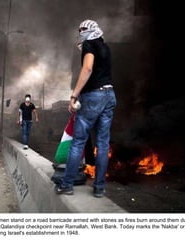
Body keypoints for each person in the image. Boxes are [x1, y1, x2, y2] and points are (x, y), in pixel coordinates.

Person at [54, 19, 117, 198]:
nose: (80, 32)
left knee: (78, 142)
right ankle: (99, 188)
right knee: (103, 144)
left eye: (82, 29)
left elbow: (87, 68)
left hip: (93, 97)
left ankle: (67, 185)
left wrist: (74, 95)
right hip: (109, 95)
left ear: (90, 30)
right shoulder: (105, 47)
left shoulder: (89, 44)